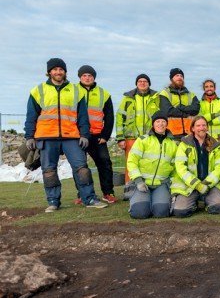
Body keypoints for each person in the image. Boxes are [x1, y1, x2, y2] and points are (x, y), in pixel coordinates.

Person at [24, 58, 107, 212]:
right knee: (49, 171)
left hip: (72, 136)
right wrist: (29, 136)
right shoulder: (38, 90)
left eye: (61, 69)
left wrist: (84, 135)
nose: (58, 72)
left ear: (65, 72)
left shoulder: (76, 90)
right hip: (46, 137)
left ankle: (89, 198)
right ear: (49, 72)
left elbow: (83, 116)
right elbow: (31, 116)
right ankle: (53, 202)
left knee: (82, 168)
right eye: (54, 69)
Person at [74, 65, 117, 204]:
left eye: (90, 76)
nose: (87, 78)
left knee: (105, 163)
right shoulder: (71, 91)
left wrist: (105, 135)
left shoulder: (104, 93)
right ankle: (82, 194)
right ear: (80, 77)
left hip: (97, 136)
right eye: (84, 75)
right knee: (79, 166)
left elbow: (109, 117)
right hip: (77, 136)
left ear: (94, 77)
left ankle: (108, 193)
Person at [171, 116, 220, 217]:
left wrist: (206, 184)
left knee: (219, 208)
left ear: (207, 127)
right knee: (180, 212)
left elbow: (219, 167)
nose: (201, 128)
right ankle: (194, 204)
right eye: (198, 125)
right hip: (189, 186)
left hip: (210, 185)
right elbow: (180, 168)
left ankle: (208, 201)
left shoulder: (215, 144)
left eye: (204, 125)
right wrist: (197, 184)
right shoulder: (184, 144)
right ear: (193, 128)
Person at [127, 112, 177, 219]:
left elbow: (175, 168)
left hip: (162, 184)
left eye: (163, 121)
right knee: (139, 213)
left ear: (167, 124)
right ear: (153, 124)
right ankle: (139, 199)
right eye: (157, 121)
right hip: (143, 183)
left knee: (161, 213)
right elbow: (132, 161)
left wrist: (173, 186)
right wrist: (138, 181)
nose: (161, 124)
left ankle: (155, 200)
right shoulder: (142, 140)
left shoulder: (173, 144)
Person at [115, 73, 158, 183]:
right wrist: (120, 138)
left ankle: (148, 188)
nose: (142, 83)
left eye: (145, 81)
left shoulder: (156, 98)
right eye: (140, 81)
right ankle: (129, 189)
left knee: (150, 163)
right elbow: (120, 117)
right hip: (131, 137)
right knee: (131, 163)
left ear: (149, 84)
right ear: (136, 84)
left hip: (150, 137)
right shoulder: (128, 98)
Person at [158, 68, 200, 141]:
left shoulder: (191, 94)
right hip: (171, 134)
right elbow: (168, 111)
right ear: (171, 79)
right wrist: (186, 114)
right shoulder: (164, 93)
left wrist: (181, 107)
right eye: (177, 75)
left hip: (190, 134)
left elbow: (196, 109)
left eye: (181, 76)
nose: (179, 77)